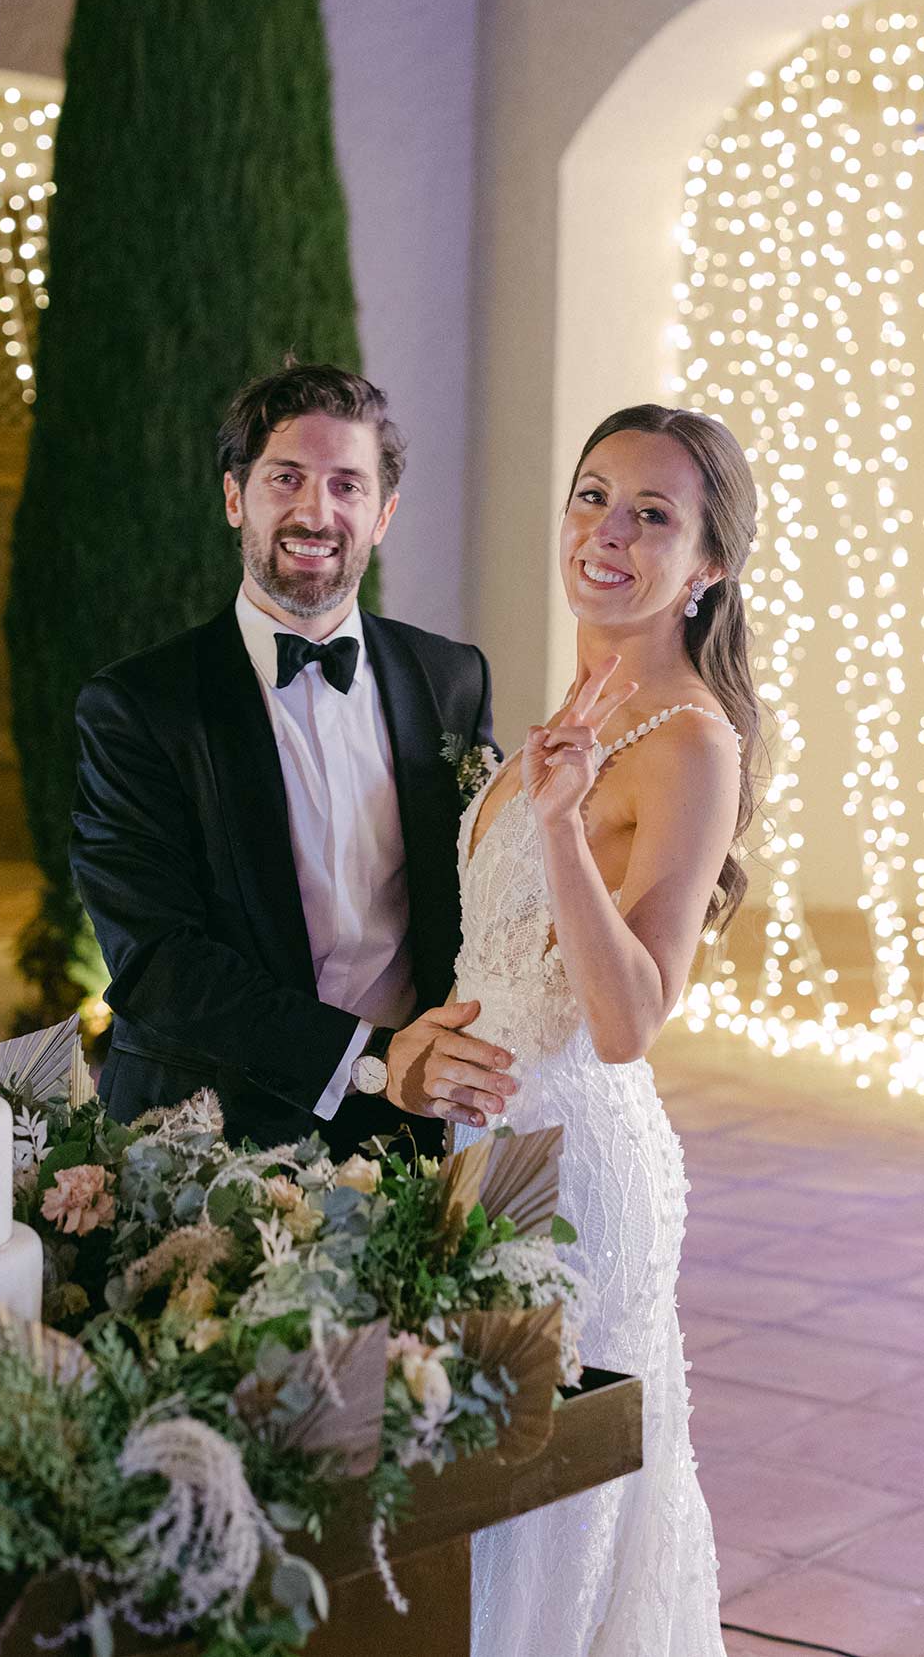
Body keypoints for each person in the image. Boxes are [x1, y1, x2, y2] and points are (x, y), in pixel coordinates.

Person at [455, 403, 762, 1656]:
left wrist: (570, 827)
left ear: (707, 567)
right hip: (480, 1152)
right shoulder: (584, 698)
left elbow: (630, 1017)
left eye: (652, 515)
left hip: (575, 1176)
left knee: (543, 1531)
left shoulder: (691, 741)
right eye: (593, 495)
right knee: (474, 1507)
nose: (608, 532)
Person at [69, 361, 516, 1158]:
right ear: (236, 497)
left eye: (348, 485)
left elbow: (488, 895)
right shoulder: (138, 707)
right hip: (206, 1135)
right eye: (287, 478)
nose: (317, 510)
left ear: (383, 515)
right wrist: (371, 1061)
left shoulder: (452, 679)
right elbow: (158, 963)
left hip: (411, 1135)